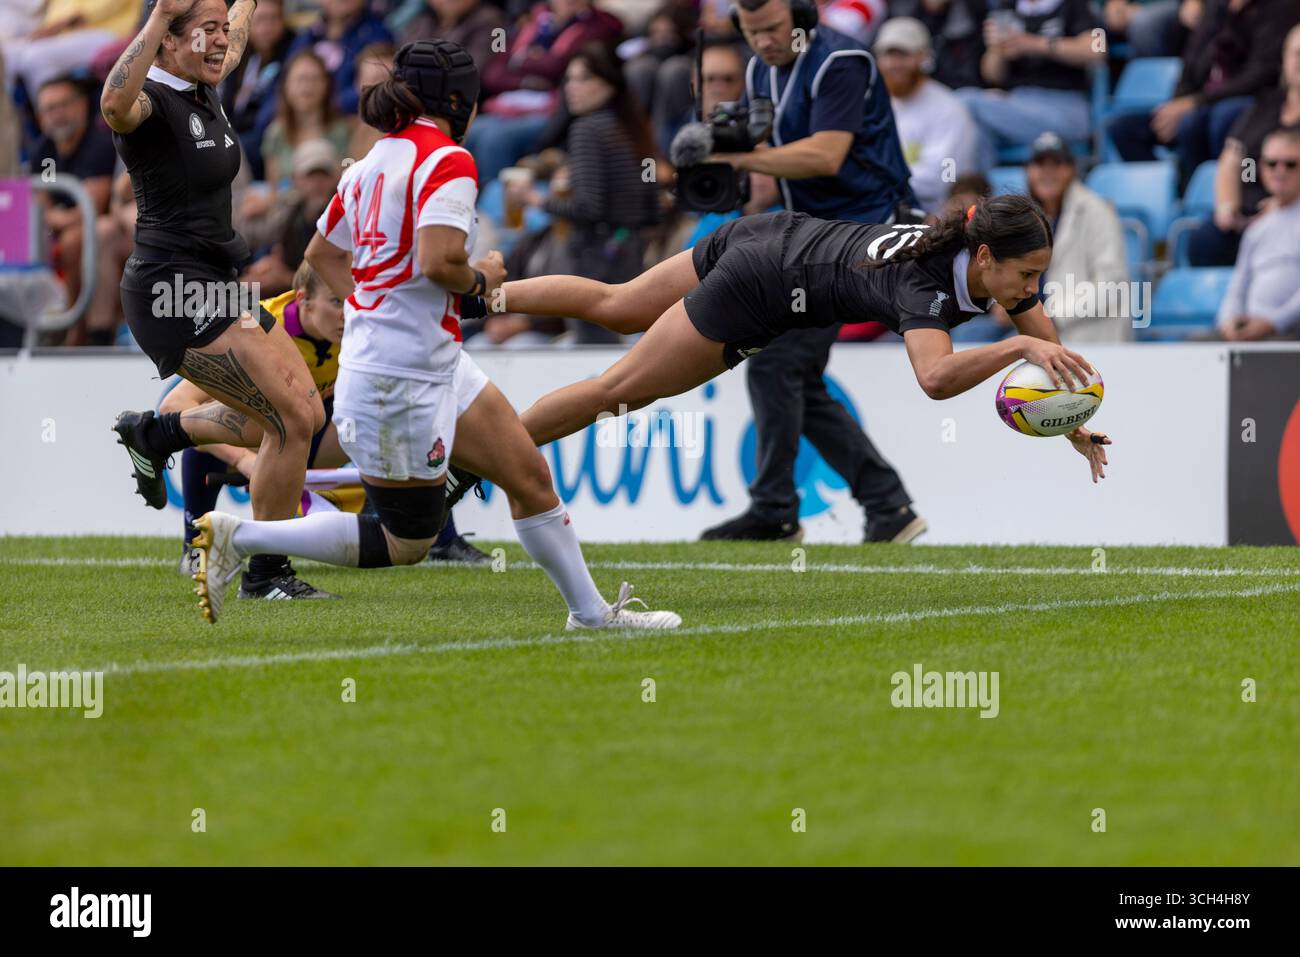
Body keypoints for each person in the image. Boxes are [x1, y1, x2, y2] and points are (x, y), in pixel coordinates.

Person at [192, 39, 681, 631]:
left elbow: (321, 252)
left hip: (426, 359)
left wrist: (377, 307)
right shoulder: (447, 159)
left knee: (527, 475)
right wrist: (484, 278)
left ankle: (592, 614)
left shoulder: (370, 162)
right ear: (462, 101)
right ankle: (240, 537)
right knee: (408, 542)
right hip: (401, 377)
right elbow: (439, 262)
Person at [447, 195, 1112, 540]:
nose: (1032, 287)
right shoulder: (926, 286)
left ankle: (475, 294)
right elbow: (935, 379)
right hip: (761, 285)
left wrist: (1067, 419)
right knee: (615, 390)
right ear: (988, 255)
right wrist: (1020, 351)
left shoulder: (987, 264)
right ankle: (472, 459)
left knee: (617, 304)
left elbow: (1036, 325)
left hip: (767, 233)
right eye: (1026, 272)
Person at [102, 0, 333, 600]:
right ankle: (267, 574)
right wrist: (156, 18)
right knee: (286, 420)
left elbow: (235, 34)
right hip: (170, 292)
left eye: (216, 32)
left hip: (216, 284)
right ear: (168, 43)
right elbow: (111, 105)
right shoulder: (151, 102)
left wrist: (239, 8)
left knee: (302, 416)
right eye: (199, 32)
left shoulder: (206, 82)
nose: (216, 42)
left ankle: (159, 434)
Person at [695, 0, 925, 545]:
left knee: (776, 364)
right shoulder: (759, 70)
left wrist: (734, 161)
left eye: (774, 28)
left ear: (802, 18)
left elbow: (825, 155)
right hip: (818, 237)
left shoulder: (842, 61)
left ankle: (776, 509)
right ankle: (887, 505)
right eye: (752, 32)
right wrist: (711, 163)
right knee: (795, 373)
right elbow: (771, 160)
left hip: (870, 238)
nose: (765, 41)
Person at [506, 44, 662, 345]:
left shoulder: (587, 128)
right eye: (569, 80)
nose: (572, 88)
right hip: (629, 254)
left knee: (594, 354)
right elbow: (653, 208)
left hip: (594, 259)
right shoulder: (634, 126)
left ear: (608, 83)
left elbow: (589, 207)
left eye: (583, 79)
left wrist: (535, 199)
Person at [1106, 0, 1300, 190]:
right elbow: (1191, 60)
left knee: (1207, 124)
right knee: (1123, 128)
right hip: (1200, 103)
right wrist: (1178, 101)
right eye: (1296, 55)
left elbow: (1259, 74)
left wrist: (1195, 102)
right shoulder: (1215, 7)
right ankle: (1172, 192)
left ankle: (1205, 191)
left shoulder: (1280, 8)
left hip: (1238, 101)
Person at [1186, 22, 1300, 267]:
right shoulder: (1264, 106)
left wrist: (1287, 208)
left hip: (1294, 217)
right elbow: (1233, 158)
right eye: (1296, 54)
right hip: (1248, 215)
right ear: (1284, 59)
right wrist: (1228, 207)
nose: (1299, 62)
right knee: (1205, 241)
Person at [954, 0, 1103, 171]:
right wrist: (997, 50)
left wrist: (1034, 44)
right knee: (975, 131)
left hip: (1065, 106)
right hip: (1017, 104)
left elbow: (1097, 50)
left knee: (964, 102)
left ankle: (975, 192)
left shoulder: (1073, 5)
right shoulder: (1008, 7)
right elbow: (992, 76)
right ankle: (979, 193)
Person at [1024, 132, 1129, 342]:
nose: (1047, 173)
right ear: (1028, 171)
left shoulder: (1097, 211)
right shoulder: (1026, 216)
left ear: (1071, 170)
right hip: (1038, 332)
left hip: (1087, 336)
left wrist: (1048, 315)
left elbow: (1112, 285)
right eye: (1039, 164)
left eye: (1056, 164)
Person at [875, 17, 979, 216]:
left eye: (903, 55)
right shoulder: (872, 103)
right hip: (883, 211)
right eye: (887, 55)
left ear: (924, 57)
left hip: (931, 221)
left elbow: (938, 181)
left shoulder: (948, 109)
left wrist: (875, 179)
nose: (893, 64)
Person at [1214, 128, 1300, 341]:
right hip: (1252, 330)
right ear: (1261, 167)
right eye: (1272, 163)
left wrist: (1273, 323)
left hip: (1290, 332)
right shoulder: (1256, 228)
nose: (1280, 171)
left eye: (1291, 164)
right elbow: (1238, 284)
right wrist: (1228, 320)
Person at [258, 50, 355, 190]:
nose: (307, 86)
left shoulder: (344, 131)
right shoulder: (275, 133)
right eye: (300, 79)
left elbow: (349, 172)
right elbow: (275, 189)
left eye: (315, 79)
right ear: (286, 86)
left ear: (327, 85)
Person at [280, 0, 393, 115]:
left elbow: (374, 89)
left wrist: (324, 105)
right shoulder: (307, 36)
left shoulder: (377, 35)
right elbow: (282, 86)